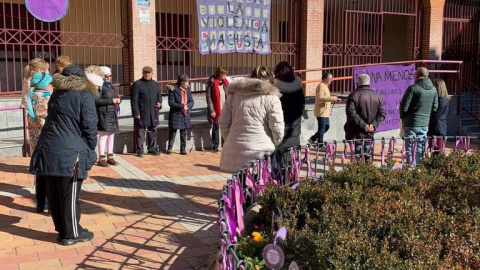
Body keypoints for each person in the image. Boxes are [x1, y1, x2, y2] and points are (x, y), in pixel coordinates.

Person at [29, 64, 97, 246]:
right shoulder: (85, 96)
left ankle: (63, 229)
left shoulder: (56, 95)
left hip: (49, 149)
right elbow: (89, 125)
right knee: (69, 195)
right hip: (70, 152)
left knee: (55, 193)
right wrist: (91, 147)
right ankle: (72, 234)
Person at [219, 66, 284, 173]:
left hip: (236, 147)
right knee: (257, 185)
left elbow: (223, 121)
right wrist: (276, 143)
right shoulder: (272, 98)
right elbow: (277, 127)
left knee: (238, 185)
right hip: (261, 150)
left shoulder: (234, 95)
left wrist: (230, 139)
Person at [24, 72, 53, 213]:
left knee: (39, 172)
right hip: (45, 140)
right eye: (49, 82)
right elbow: (44, 118)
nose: (51, 85)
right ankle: (46, 202)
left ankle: (40, 203)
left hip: (35, 140)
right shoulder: (43, 98)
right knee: (47, 172)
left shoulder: (31, 95)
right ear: (44, 84)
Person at [400, 67, 438, 165]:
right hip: (424, 123)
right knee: (420, 146)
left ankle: (411, 168)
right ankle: (419, 167)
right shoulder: (433, 90)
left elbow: (404, 106)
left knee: (410, 147)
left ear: (417, 75)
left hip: (411, 123)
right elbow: (435, 107)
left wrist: (403, 117)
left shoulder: (413, 88)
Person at [344, 74, 385, 161]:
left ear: (357, 83)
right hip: (366, 131)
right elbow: (382, 114)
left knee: (358, 156)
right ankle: (367, 170)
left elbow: (350, 113)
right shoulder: (377, 96)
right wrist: (371, 125)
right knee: (367, 155)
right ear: (369, 82)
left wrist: (371, 125)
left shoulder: (353, 95)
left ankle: (360, 171)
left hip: (357, 131)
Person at [273, 61, 305, 165]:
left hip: (279, 131)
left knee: (279, 166)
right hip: (294, 131)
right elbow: (302, 108)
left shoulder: (276, 91)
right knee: (291, 165)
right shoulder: (298, 89)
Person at [131, 66, 162, 157]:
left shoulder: (155, 84)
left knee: (153, 130)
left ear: (152, 73)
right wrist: (136, 112)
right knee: (141, 131)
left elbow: (159, 96)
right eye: (145, 73)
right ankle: (140, 149)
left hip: (153, 112)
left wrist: (159, 103)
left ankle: (152, 148)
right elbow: (134, 100)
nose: (147, 74)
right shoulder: (137, 84)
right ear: (142, 73)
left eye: (148, 73)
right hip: (142, 112)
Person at [94, 66, 121, 166]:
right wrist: (111, 101)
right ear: (102, 76)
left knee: (111, 135)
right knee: (103, 135)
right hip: (103, 113)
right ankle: (101, 158)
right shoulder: (99, 87)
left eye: (110, 76)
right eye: (106, 76)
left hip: (112, 113)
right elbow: (96, 101)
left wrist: (118, 100)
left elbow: (116, 97)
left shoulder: (111, 86)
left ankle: (110, 156)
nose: (109, 78)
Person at [309, 72, 341, 150]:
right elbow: (320, 98)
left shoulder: (325, 86)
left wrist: (334, 99)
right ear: (326, 78)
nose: (331, 80)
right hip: (321, 111)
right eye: (330, 78)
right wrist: (332, 98)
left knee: (326, 127)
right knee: (322, 127)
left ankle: (313, 138)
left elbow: (325, 98)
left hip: (325, 111)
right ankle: (320, 144)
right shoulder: (321, 86)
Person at [166, 74, 194, 155]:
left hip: (185, 114)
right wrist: (182, 106)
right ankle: (169, 148)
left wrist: (187, 106)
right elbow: (171, 103)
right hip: (176, 114)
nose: (188, 84)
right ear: (182, 83)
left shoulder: (188, 90)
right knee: (173, 132)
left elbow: (191, 101)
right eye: (187, 82)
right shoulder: (173, 90)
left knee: (183, 133)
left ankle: (183, 149)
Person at [206, 67, 229, 152]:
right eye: (224, 74)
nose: (226, 75)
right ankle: (215, 146)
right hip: (216, 109)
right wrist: (212, 110)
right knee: (216, 127)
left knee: (226, 127)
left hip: (225, 108)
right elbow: (209, 98)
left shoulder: (225, 83)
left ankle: (225, 145)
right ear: (220, 74)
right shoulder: (212, 83)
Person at [427, 78, 449, 154]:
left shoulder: (442, 100)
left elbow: (437, 114)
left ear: (437, 87)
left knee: (437, 150)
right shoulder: (441, 99)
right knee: (434, 150)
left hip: (437, 127)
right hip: (437, 126)